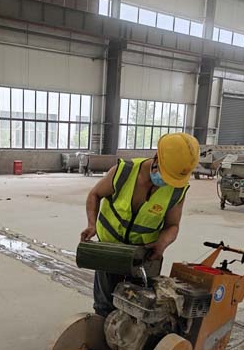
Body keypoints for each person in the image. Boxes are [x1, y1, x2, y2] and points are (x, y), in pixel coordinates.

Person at [80, 132, 200, 317]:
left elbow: (173, 225)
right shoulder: (123, 173)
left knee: (140, 307)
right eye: (167, 175)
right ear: (157, 158)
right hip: (110, 250)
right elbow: (94, 195)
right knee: (104, 306)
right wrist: (91, 224)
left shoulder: (177, 189)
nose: (167, 183)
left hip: (143, 255)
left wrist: (162, 243)